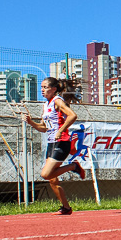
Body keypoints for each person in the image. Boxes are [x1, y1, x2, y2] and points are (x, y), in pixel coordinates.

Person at [22, 77, 85, 215]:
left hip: (62, 142)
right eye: (41, 87)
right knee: (52, 179)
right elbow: (44, 128)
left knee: (45, 174)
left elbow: (73, 116)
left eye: (45, 87)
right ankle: (66, 208)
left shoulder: (57, 101)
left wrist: (61, 130)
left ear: (54, 89)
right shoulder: (46, 105)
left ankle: (73, 166)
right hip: (51, 143)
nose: (42, 90)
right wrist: (31, 122)